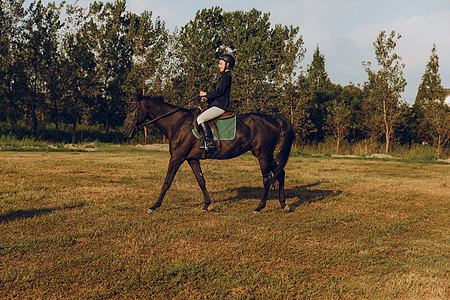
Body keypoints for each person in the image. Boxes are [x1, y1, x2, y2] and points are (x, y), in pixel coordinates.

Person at [198, 53, 235, 152]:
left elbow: (219, 92)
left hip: (221, 106)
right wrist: (207, 98)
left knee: (200, 118)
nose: (219, 66)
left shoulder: (226, 77)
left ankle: (210, 143)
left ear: (227, 64)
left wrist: (205, 93)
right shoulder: (224, 76)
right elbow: (219, 94)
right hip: (218, 104)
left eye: (221, 64)